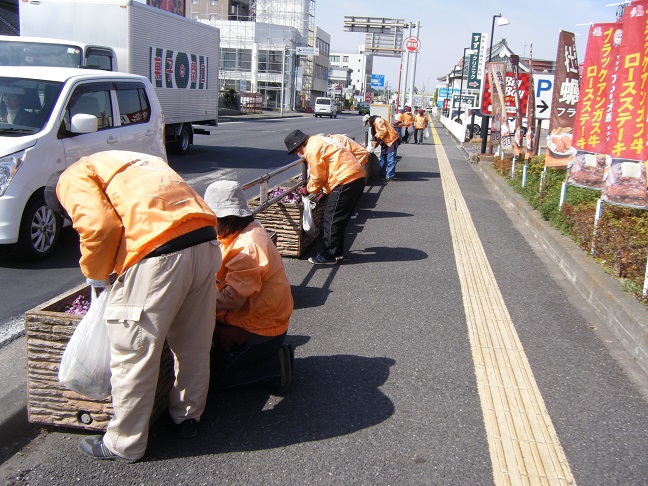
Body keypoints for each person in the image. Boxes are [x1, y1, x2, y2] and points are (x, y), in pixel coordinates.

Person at [46, 150, 221, 463]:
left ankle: (125, 444)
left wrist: (96, 277)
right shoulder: (134, 160)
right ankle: (188, 416)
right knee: (193, 342)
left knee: (134, 351)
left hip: (160, 254)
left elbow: (100, 227)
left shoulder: (70, 178)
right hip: (205, 241)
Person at [203, 180, 294, 393]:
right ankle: (264, 357)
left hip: (260, 328)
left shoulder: (247, 247)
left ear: (230, 218)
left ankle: (275, 371)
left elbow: (233, 300)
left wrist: (195, 301)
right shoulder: (246, 230)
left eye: (213, 220)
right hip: (263, 320)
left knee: (208, 381)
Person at [284, 129, 365, 265]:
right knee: (338, 220)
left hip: (345, 180)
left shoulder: (312, 148)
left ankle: (329, 255)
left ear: (301, 145)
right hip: (354, 177)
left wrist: (308, 189)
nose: (299, 154)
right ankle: (336, 252)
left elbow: (318, 175)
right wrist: (326, 192)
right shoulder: (319, 141)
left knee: (331, 218)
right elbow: (330, 169)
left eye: (297, 151)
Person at [363, 114, 399, 182]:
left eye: (367, 123)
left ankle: (389, 176)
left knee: (390, 159)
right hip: (385, 142)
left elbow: (383, 131)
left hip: (391, 140)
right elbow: (376, 138)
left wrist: (375, 137)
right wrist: (372, 147)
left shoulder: (378, 120)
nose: (368, 124)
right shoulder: (374, 125)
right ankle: (382, 174)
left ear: (369, 120)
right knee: (383, 159)